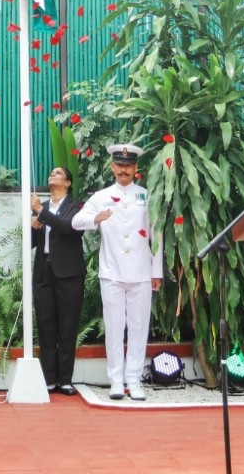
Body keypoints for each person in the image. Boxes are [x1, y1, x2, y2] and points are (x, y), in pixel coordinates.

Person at [72, 144, 162, 401]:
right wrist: (95, 218)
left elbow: (157, 235)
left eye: (128, 165)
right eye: (119, 165)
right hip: (111, 271)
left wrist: (157, 271)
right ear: (112, 167)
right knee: (113, 326)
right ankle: (115, 380)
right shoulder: (101, 196)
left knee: (138, 326)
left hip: (141, 271)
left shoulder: (146, 196)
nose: (124, 170)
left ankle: (133, 380)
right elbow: (76, 222)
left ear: (135, 168)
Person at [30, 166, 85, 395]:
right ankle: (49, 379)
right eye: (50, 172)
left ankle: (65, 380)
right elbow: (32, 242)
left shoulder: (78, 205)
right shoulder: (40, 207)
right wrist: (33, 226)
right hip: (44, 269)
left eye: (58, 173)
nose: (52, 174)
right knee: (46, 324)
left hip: (69, 272)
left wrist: (41, 215)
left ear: (68, 183)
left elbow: (70, 228)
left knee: (68, 325)